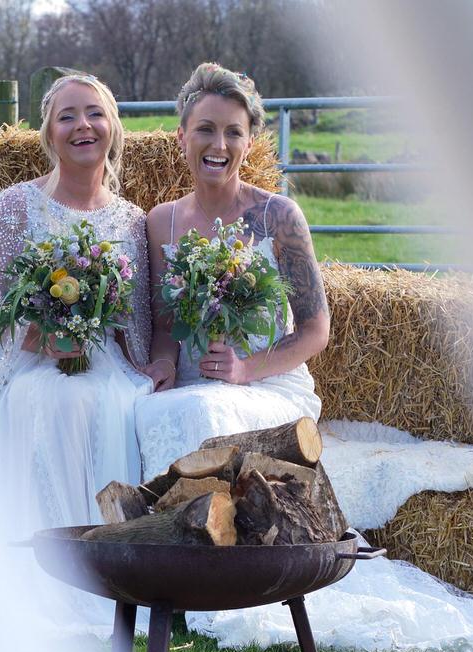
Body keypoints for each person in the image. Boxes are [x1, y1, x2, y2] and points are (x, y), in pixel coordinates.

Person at [0, 73, 153, 626]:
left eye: (94, 113)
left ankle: (111, 569)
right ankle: (45, 571)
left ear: (112, 127)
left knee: (115, 403)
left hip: (103, 363)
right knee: (47, 398)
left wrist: (151, 366)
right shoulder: (15, 208)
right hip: (30, 361)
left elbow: (136, 318)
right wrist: (45, 337)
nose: (82, 126)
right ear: (49, 132)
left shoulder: (131, 221)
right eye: (67, 116)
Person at [134, 63, 328, 478]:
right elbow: (166, 328)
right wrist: (165, 364)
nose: (218, 144)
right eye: (205, 128)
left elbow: (316, 329)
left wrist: (245, 368)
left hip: (268, 384)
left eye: (233, 132)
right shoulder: (161, 222)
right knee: (141, 413)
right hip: (190, 384)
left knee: (206, 411)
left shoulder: (279, 216)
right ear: (182, 136)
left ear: (250, 141)